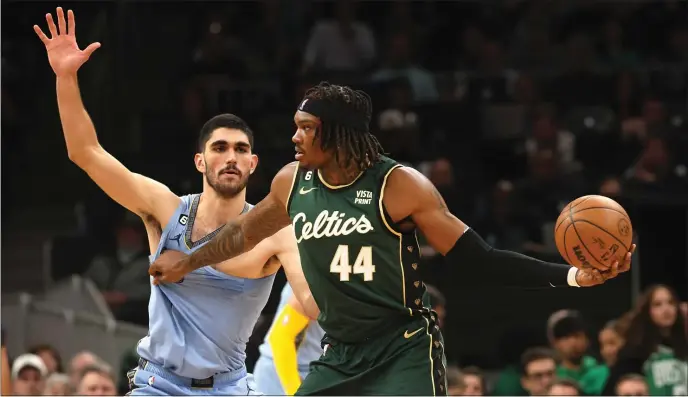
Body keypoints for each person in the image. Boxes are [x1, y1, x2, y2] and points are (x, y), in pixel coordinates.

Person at [150, 81, 635, 395]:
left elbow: (480, 260)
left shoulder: (399, 185)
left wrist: (572, 275)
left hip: (402, 345)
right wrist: (188, 261)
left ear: (336, 134)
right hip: (339, 350)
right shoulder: (291, 182)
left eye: (306, 129)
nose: (294, 138)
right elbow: (239, 235)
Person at [34, 8, 310, 396]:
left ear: (253, 163)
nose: (230, 157)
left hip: (229, 388)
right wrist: (65, 76)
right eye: (219, 147)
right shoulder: (165, 208)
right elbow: (86, 152)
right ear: (200, 161)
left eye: (240, 149)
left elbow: (312, 298)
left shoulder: (277, 234)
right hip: (157, 385)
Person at [602, 284, 687, 396]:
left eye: (671, 303)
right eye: (657, 305)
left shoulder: (684, 346)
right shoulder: (634, 351)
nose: (666, 309)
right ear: (647, 310)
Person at [253, 284, 326, 395]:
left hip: (317, 372)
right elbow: (281, 337)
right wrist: (295, 391)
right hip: (283, 372)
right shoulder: (318, 279)